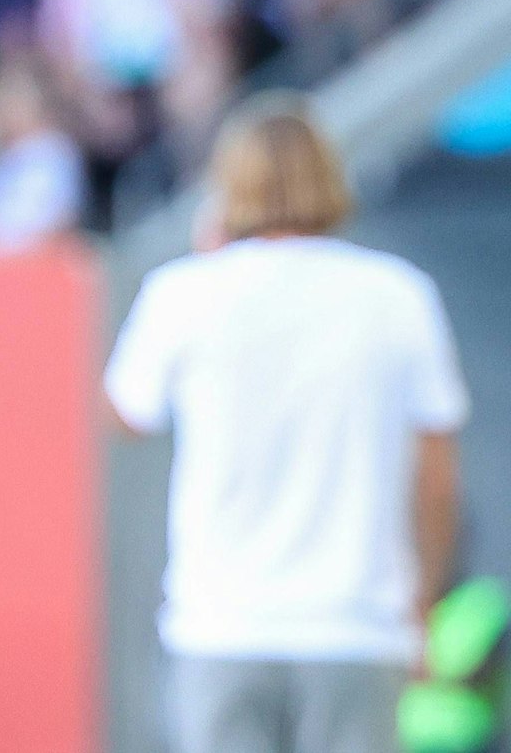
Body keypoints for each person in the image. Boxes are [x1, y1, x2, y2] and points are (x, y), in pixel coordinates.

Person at [105, 93, 469, 753]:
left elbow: (128, 412)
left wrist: (208, 255)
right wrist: (423, 602)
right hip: (359, 627)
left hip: (220, 624)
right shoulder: (397, 295)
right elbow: (438, 479)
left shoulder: (184, 293)